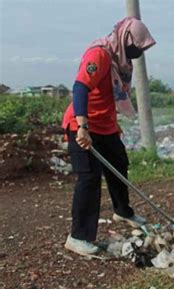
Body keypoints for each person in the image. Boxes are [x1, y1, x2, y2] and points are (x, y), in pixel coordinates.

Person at [61, 17, 156, 256]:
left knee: (119, 164)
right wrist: (82, 126)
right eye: (137, 46)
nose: (138, 52)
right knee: (89, 179)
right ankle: (78, 236)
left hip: (106, 126)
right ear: (126, 39)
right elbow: (80, 87)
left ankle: (122, 210)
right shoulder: (100, 55)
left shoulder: (119, 60)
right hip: (82, 124)